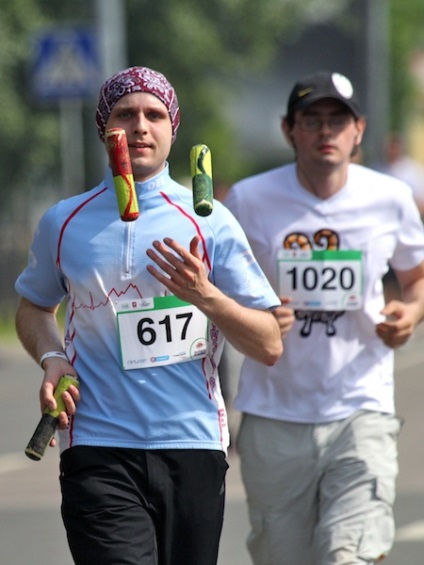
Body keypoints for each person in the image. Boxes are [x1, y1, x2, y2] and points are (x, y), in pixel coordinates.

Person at [15, 66, 283, 565]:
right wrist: (51, 355)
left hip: (193, 442)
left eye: (154, 114)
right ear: (104, 127)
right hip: (97, 443)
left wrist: (208, 297)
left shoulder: (209, 221)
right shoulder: (65, 220)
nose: (141, 125)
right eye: (125, 113)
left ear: (172, 128)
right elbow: (33, 306)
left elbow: (268, 343)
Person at [224, 70, 424, 565]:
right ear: (288, 129)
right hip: (274, 415)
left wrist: (412, 311)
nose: (325, 131)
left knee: (348, 555)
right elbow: (217, 290)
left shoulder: (390, 198)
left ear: (359, 130)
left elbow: (417, 276)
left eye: (338, 120)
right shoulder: (248, 201)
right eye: (311, 119)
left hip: (361, 407)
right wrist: (257, 313)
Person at [378, 131, 424, 219]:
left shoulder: (413, 171)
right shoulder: (377, 168)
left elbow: (421, 201)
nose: (391, 150)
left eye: (394, 147)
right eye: (389, 147)